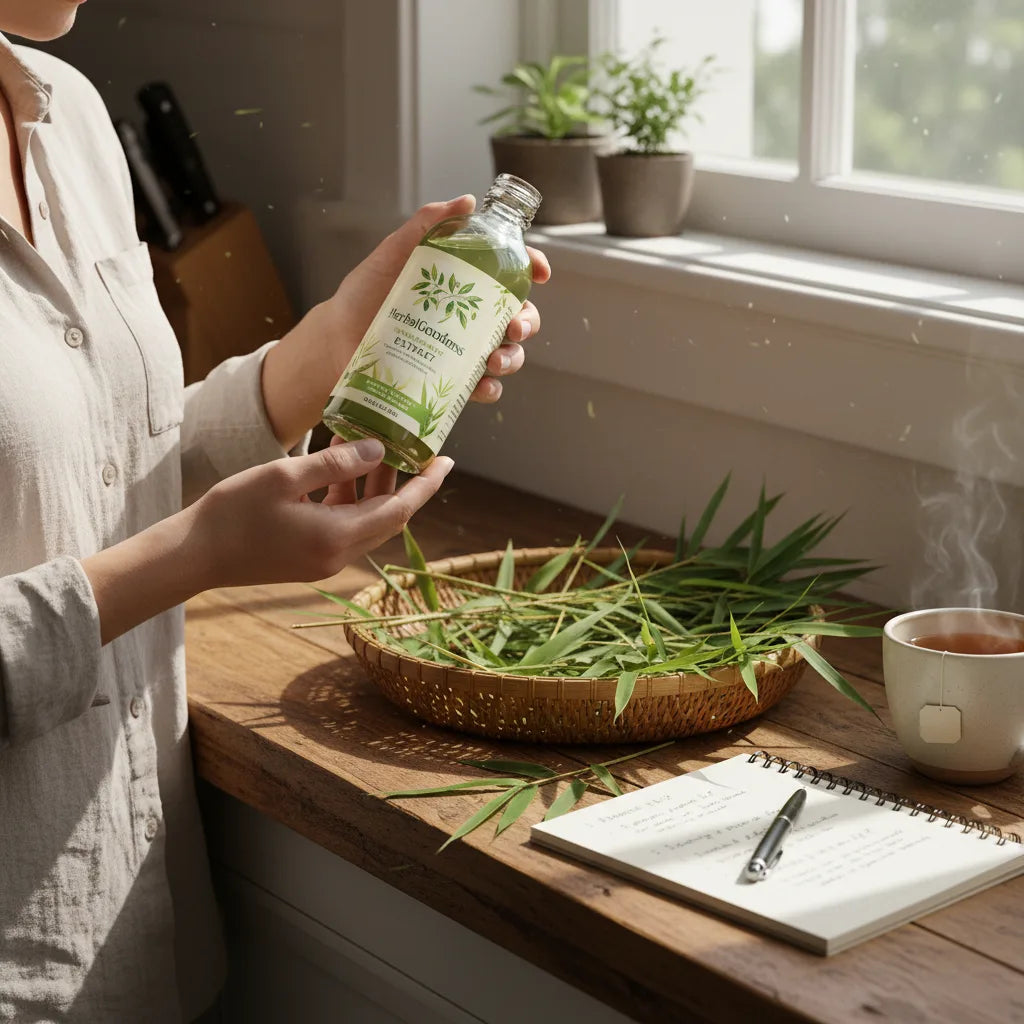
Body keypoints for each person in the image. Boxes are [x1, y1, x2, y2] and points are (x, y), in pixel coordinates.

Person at [0, 2, 551, 1021]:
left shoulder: (64, 113)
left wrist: (339, 340)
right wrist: (197, 555)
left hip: (149, 932)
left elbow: (106, 468)